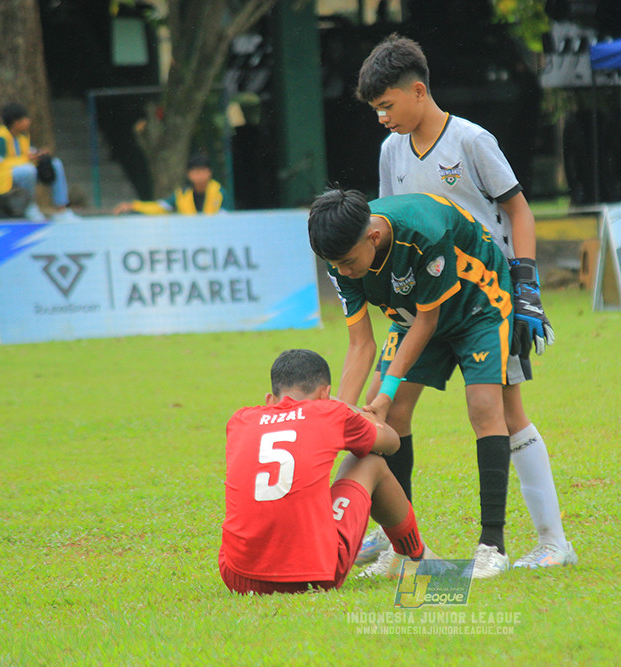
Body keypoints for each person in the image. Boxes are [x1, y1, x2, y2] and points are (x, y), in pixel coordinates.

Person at [353, 34, 575, 571]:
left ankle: (551, 542)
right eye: (376, 110)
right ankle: (399, 545)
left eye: (386, 106)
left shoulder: (472, 141)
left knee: (502, 410)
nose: (382, 119)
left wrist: (526, 287)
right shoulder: (391, 150)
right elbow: (391, 221)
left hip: (485, 299)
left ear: (419, 91)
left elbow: (519, 210)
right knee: (395, 409)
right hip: (424, 303)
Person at [308, 188, 514, 579]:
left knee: (484, 407)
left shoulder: (423, 233)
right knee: (388, 415)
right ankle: (402, 547)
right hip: (412, 315)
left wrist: (384, 393)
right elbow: (361, 344)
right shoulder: (342, 257)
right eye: (336, 265)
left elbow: (428, 321)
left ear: (372, 237)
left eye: (349, 263)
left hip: (477, 304)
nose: (345, 271)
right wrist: (340, 416)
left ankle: (493, 545)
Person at [219, 348, 440, 594]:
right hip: (313, 576)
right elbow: (391, 441)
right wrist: (340, 405)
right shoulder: (329, 410)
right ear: (325, 394)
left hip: (237, 576)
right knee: (370, 463)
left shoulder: (240, 420)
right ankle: (415, 557)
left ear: (270, 399)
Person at [0, 102, 77, 221]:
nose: (29, 121)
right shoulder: (1, 137)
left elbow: (28, 153)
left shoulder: (21, 137)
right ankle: (29, 207)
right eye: (25, 119)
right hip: (0, 178)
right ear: (16, 122)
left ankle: (62, 209)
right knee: (28, 170)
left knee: (55, 164)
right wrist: (26, 159)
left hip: (19, 174)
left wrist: (39, 155)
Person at [115, 154, 226, 215]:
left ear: (210, 173)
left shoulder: (220, 192)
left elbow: (228, 219)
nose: (199, 176)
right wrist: (134, 205)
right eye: (195, 172)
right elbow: (160, 207)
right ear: (188, 174)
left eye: (202, 171)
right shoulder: (182, 194)